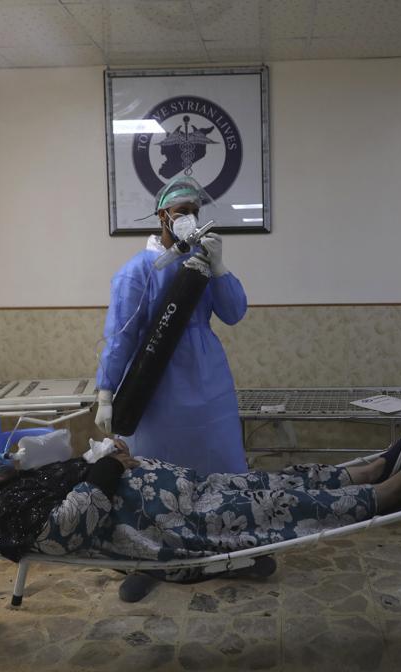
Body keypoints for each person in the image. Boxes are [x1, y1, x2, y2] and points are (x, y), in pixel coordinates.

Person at [95, 177, 249, 598]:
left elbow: (234, 312)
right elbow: (120, 336)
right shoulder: (137, 271)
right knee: (154, 474)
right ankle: (148, 559)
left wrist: (220, 267)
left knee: (219, 464)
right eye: (182, 211)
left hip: (208, 380)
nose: (190, 218)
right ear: (162, 215)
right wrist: (106, 391)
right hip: (156, 385)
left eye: (195, 211)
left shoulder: (202, 262)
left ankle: (230, 550)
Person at [0, 437, 401, 566]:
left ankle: (357, 473)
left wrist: (109, 454)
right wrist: (107, 468)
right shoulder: (1, 512)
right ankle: (378, 496)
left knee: (267, 484)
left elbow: (86, 474)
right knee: (274, 508)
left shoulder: (23, 481)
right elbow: (63, 530)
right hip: (168, 521)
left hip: (183, 488)